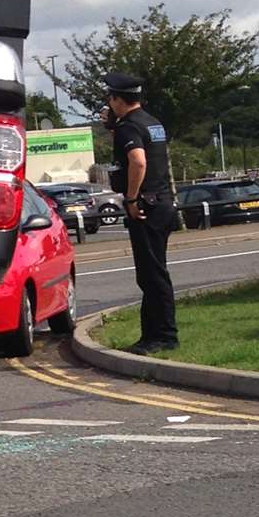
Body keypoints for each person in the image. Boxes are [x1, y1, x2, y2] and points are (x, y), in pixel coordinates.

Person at [103, 71, 177, 353]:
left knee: (152, 275)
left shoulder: (128, 128)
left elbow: (138, 161)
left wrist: (132, 199)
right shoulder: (151, 122)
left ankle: (164, 336)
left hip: (146, 205)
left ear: (117, 99)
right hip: (162, 201)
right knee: (152, 273)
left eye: (111, 98)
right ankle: (152, 335)